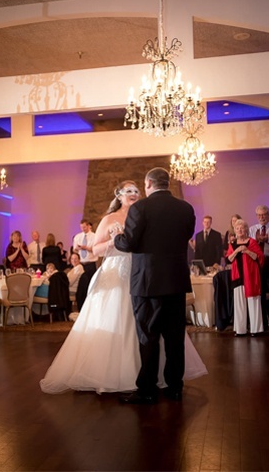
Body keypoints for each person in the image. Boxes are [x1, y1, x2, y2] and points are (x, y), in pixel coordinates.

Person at [40, 179, 207, 395]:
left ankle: (152, 377)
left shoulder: (146, 213)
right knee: (121, 321)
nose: (134, 193)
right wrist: (112, 242)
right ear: (119, 195)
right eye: (129, 190)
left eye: (137, 190)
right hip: (117, 273)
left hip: (144, 275)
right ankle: (118, 375)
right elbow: (95, 250)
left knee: (150, 327)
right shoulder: (110, 219)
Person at [113, 168, 200, 404]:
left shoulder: (139, 208)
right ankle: (174, 387)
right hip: (175, 280)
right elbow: (185, 236)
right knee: (174, 337)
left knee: (148, 336)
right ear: (167, 183)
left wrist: (116, 237)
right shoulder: (186, 208)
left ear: (149, 184)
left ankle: (147, 389)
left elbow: (128, 242)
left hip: (147, 282)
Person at [226, 219, 263, 336]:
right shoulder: (232, 244)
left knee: (253, 301)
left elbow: (259, 258)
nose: (240, 230)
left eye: (242, 228)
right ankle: (240, 330)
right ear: (235, 231)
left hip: (251, 276)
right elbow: (229, 259)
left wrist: (246, 250)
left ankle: (256, 329)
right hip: (238, 276)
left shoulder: (252, 242)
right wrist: (237, 250)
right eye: (237, 228)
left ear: (246, 230)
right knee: (239, 304)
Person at [72, 220, 99, 310]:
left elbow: (96, 249)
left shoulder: (95, 236)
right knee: (81, 286)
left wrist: (86, 248)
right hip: (81, 264)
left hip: (90, 264)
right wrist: (78, 248)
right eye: (81, 227)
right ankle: (81, 307)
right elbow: (75, 249)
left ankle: (91, 307)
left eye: (84, 227)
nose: (83, 229)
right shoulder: (78, 236)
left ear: (88, 226)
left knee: (90, 286)